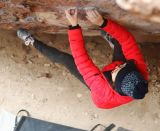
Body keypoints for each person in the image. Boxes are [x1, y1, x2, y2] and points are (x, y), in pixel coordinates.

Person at [17, 8, 149, 109]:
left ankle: (32, 41)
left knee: (66, 59)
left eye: (118, 71)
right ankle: (112, 41)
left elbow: (81, 58)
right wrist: (103, 23)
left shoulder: (101, 88)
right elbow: (128, 40)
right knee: (121, 43)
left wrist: (74, 26)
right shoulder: (139, 72)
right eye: (125, 68)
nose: (119, 67)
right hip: (119, 79)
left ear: (114, 84)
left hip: (101, 92)